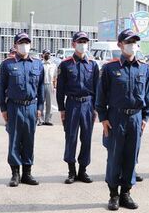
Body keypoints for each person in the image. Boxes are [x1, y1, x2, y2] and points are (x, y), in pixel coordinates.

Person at [96, 29, 149, 210]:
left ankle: (126, 193)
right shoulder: (110, 68)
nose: (132, 45)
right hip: (116, 117)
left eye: (135, 42)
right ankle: (113, 194)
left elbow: (148, 96)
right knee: (114, 157)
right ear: (120, 44)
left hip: (135, 118)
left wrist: (144, 118)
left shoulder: (144, 68)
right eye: (128, 42)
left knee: (131, 156)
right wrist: (104, 118)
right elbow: (101, 97)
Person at [0, 32, 44, 187]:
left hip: (31, 107)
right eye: (21, 43)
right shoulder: (7, 64)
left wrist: (40, 107)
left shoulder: (37, 64)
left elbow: (41, 88)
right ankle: (15, 173)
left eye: (27, 42)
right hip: (14, 106)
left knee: (29, 140)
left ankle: (27, 173)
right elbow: (1, 88)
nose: (25, 45)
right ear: (15, 45)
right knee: (15, 140)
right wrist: (3, 109)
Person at [56, 31, 99, 184]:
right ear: (73, 44)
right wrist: (62, 109)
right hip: (72, 104)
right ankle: (71, 171)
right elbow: (60, 89)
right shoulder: (65, 64)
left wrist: (95, 108)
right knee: (71, 137)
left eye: (85, 41)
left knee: (86, 138)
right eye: (80, 41)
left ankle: (83, 171)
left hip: (88, 104)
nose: (83, 44)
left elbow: (97, 88)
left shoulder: (93, 65)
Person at [38, 49, 57, 126]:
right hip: (41, 84)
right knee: (41, 102)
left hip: (50, 85)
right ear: (42, 55)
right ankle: (41, 120)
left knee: (49, 103)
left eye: (49, 54)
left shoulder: (53, 65)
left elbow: (55, 77)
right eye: (46, 54)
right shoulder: (39, 64)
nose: (47, 55)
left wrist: (54, 86)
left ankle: (48, 120)